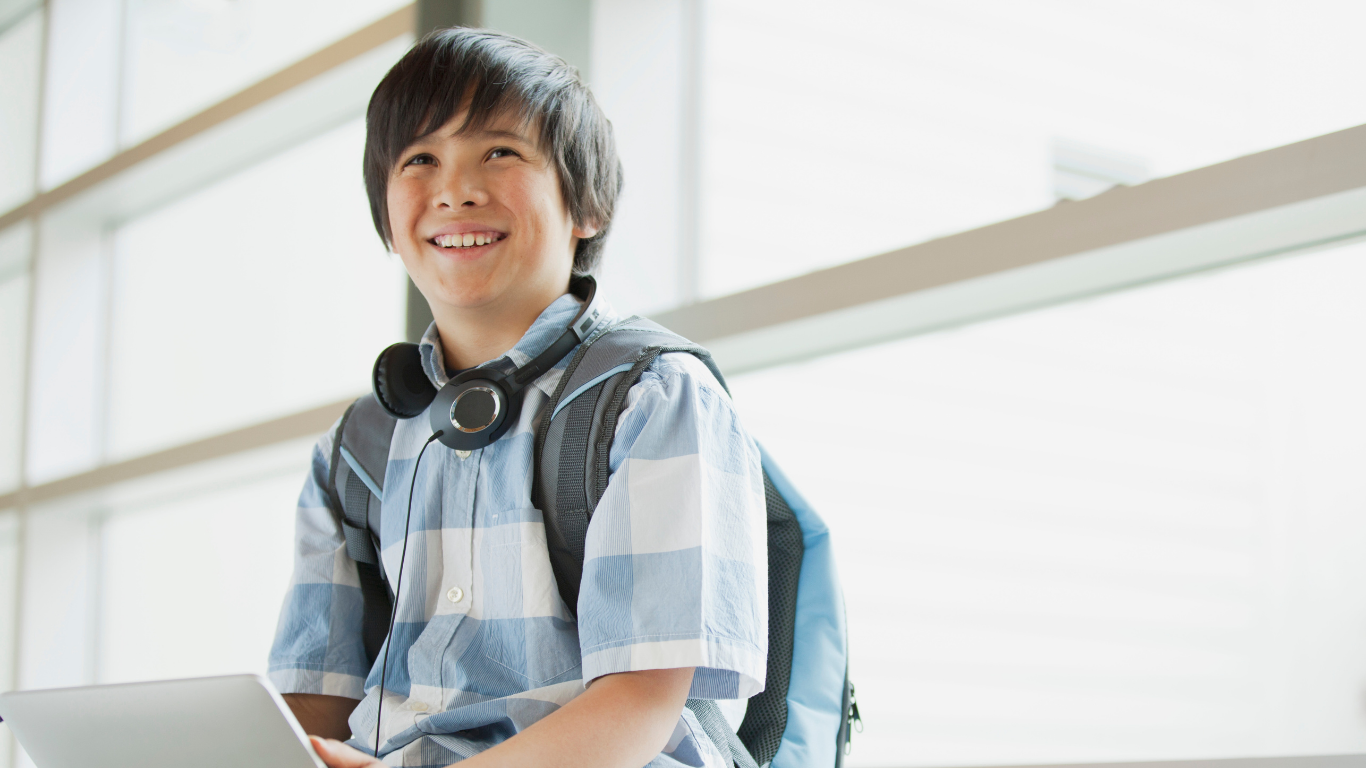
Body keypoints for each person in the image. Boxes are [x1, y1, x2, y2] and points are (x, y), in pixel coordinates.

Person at [267, 27, 768, 768]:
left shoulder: (654, 398)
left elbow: (638, 705)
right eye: (420, 160)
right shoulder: (358, 448)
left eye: (499, 152)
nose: (455, 189)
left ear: (585, 207)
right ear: (386, 219)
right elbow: (317, 702)